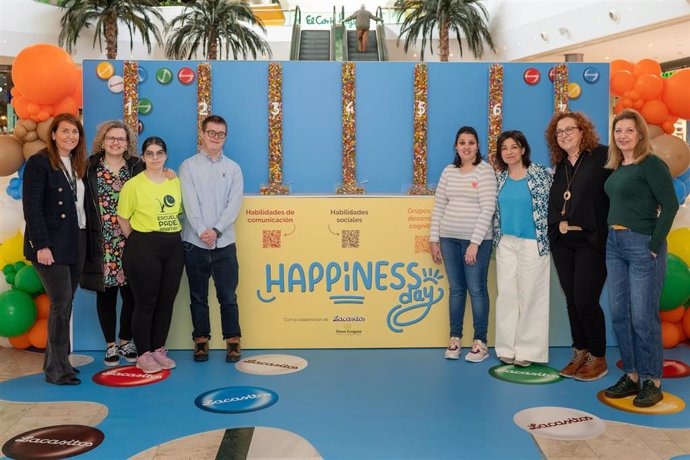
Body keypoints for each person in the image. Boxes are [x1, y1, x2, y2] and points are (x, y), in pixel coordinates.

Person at [603, 109, 678, 408]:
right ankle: (632, 375)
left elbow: (670, 206)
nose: (623, 135)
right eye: (618, 131)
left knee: (643, 317)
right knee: (620, 313)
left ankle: (651, 380)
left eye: (629, 131)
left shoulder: (652, 165)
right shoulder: (617, 167)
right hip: (614, 244)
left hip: (641, 245)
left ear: (640, 134)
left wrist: (655, 244)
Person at [22, 113, 88, 385]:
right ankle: (57, 370)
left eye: (75, 132)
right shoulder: (39, 162)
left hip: (76, 241)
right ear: (53, 134)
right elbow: (32, 207)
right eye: (65, 131)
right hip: (50, 245)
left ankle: (56, 361)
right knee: (60, 302)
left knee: (66, 303)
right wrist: (42, 245)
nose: (70, 137)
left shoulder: (77, 163)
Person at [545, 112, 611, 381]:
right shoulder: (561, 165)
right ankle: (580, 351)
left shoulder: (604, 156)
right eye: (559, 132)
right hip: (563, 243)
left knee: (586, 301)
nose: (564, 135)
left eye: (569, 129)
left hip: (591, 242)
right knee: (572, 301)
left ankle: (598, 357)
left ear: (583, 131)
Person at [117, 137, 184, 374]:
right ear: (143, 157)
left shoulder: (174, 181)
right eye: (150, 153)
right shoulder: (133, 185)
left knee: (166, 301)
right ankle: (143, 353)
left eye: (159, 153)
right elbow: (123, 218)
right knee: (146, 303)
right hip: (143, 246)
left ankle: (158, 349)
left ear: (166, 156)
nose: (155, 158)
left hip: (173, 247)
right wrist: (138, 241)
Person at [179, 115, 244, 363]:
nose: (216, 138)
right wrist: (201, 231)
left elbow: (234, 204)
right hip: (194, 243)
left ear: (225, 137)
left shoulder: (234, 168)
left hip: (224, 242)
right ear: (203, 134)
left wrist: (215, 231)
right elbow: (189, 202)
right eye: (212, 133)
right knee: (198, 296)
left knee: (228, 296)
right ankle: (201, 342)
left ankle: (233, 341)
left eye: (221, 134)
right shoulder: (188, 166)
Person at [430, 126, 496, 362]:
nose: (466, 147)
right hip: (448, 239)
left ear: (478, 146)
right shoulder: (449, 171)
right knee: (456, 290)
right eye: (462, 142)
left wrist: (474, 243)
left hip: (475, 241)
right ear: (456, 147)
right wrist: (434, 239)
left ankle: (480, 342)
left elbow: (488, 208)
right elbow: (439, 206)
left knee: (477, 289)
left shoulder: (485, 171)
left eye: (471, 142)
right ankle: (455, 339)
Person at [81, 121, 141, 367]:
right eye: (111, 138)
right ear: (102, 141)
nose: (116, 142)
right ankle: (110, 345)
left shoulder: (137, 168)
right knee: (105, 295)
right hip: (101, 242)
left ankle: (126, 340)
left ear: (128, 143)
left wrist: (168, 173)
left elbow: (156, 182)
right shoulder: (88, 168)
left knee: (131, 294)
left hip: (131, 240)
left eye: (121, 138)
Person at [493, 130, 552, 367]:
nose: (509, 152)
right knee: (506, 295)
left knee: (532, 297)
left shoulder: (540, 175)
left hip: (533, 242)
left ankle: (528, 351)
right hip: (506, 243)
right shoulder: (499, 178)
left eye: (514, 147)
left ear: (523, 149)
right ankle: (506, 347)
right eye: (504, 148)